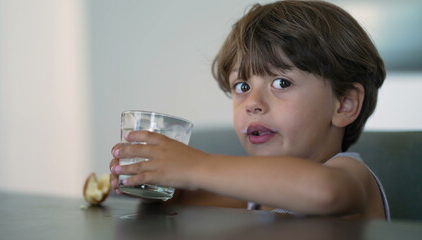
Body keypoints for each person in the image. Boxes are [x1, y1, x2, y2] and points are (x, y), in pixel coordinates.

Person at [109, 0, 390, 220]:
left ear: (345, 104)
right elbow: (184, 203)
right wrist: (157, 185)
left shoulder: (350, 176)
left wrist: (194, 166)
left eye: (281, 82)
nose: (252, 102)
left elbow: (324, 192)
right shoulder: (253, 199)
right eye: (242, 86)